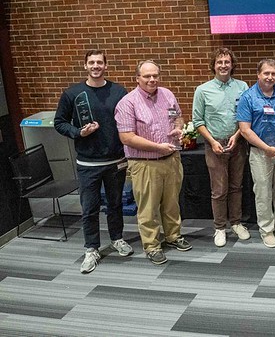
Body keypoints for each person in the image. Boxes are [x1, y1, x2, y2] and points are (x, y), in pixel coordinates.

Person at [54, 50, 132, 274]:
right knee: (89, 208)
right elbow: (60, 123)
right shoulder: (72, 93)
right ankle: (91, 248)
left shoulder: (119, 91)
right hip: (88, 164)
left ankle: (117, 238)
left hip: (116, 160)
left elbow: (127, 121)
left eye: (99, 62)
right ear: (85, 65)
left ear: (106, 65)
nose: (96, 66)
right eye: (91, 62)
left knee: (116, 204)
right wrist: (79, 132)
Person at [115, 60, 192, 265]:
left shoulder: (167, 95)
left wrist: (178, 128)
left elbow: (178, 117)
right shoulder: (127, 103)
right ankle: (152, 245)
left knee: (171, 203)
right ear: (137, 78)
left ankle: (173, 236)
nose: (152, 79)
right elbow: (127, 137)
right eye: (147, 76)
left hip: (171, 159)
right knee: (148, 208)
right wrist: (158, 147)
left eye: (155, 75)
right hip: (144, 163)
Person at [192, 48, 250, 248]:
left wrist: (236, 136)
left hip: (238, 142)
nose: (224, 65)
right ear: (213, 66)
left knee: (236, 186)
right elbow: (198, 120)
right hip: (214, 144)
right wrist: (212, 141)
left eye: (227, 61)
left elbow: (246, 116)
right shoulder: (203, 90)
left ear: (232, 64)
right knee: (219, 190)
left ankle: (236, 222)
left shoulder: (243, 87)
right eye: (219, 62)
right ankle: (219, 228)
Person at [237, 59, 275, 248]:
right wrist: (266, 148)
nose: (270, 77)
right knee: (263, 191)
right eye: (266, 73)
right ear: (258, 74)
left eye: (273, 74)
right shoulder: (248, 97)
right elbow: (245, 129)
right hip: (260, 152)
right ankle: (267, 229)